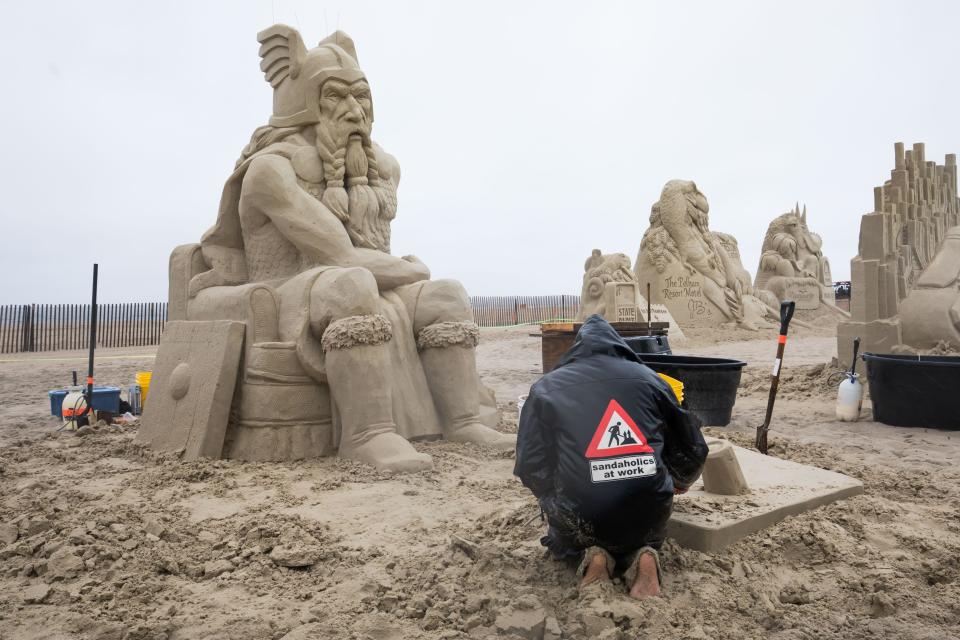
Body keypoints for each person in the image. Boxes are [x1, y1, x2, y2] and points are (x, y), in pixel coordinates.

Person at [514, 315, 708, 599]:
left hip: (581, 513)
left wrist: (553, 493)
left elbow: (530, 464)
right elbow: (693, 447)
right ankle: (645, 552)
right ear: (621, 347)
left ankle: (592, 555)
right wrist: (680, 480)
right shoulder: (652, 380)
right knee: (645, 528)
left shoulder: (546, 388)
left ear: (576, 349)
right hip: (648, 510)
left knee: (563, 538)